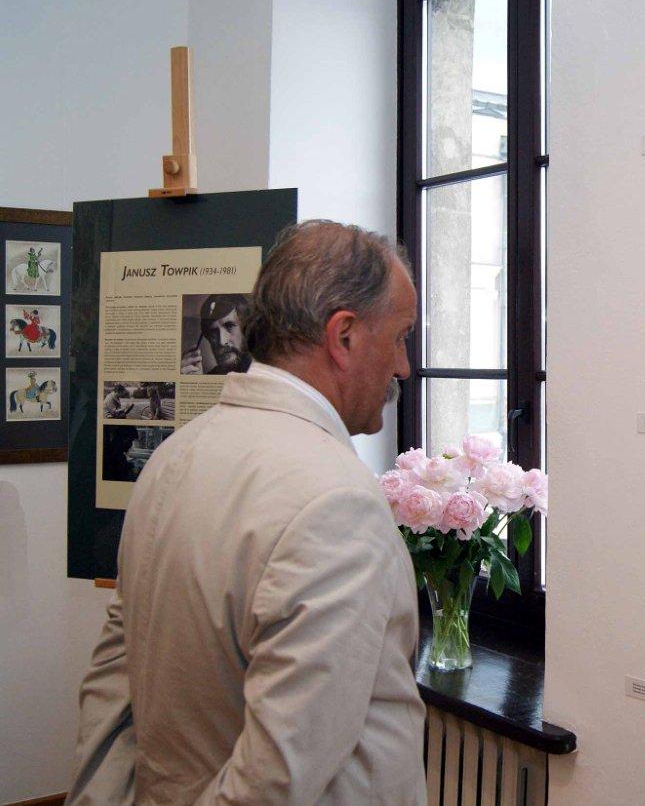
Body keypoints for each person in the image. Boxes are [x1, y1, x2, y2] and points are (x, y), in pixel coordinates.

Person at [70, 220, 426, 805]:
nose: (404, 366)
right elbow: (275, 779)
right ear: (343, 336)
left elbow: (113, 685)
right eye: (400, 337)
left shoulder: (173, 456)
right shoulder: (336, 501)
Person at [181, 294, 252, 375]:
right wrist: (196, 380)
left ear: (246, 329)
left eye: (229, 326)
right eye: (213, 332)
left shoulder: (262, 372)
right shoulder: (211, 375)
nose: (222, 342)